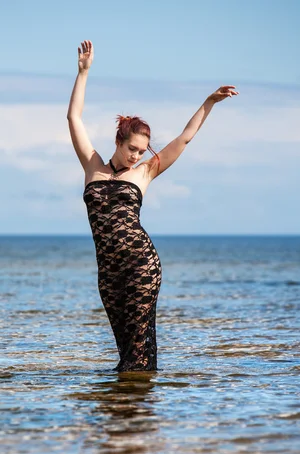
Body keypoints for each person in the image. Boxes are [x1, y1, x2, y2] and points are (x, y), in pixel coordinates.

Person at [67, 40, 238, 372]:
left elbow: (184, 138)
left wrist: (209, 102)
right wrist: (83, 73)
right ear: (119, 141)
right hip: (108, 272)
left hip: (141, 264)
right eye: (132, 148)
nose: (136, 156)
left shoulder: (144, 172)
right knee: (124, 350)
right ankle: (125, 408)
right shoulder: (93, 167)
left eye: (142, 151)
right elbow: (73, 117)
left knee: (139, 346)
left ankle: (139, 414)